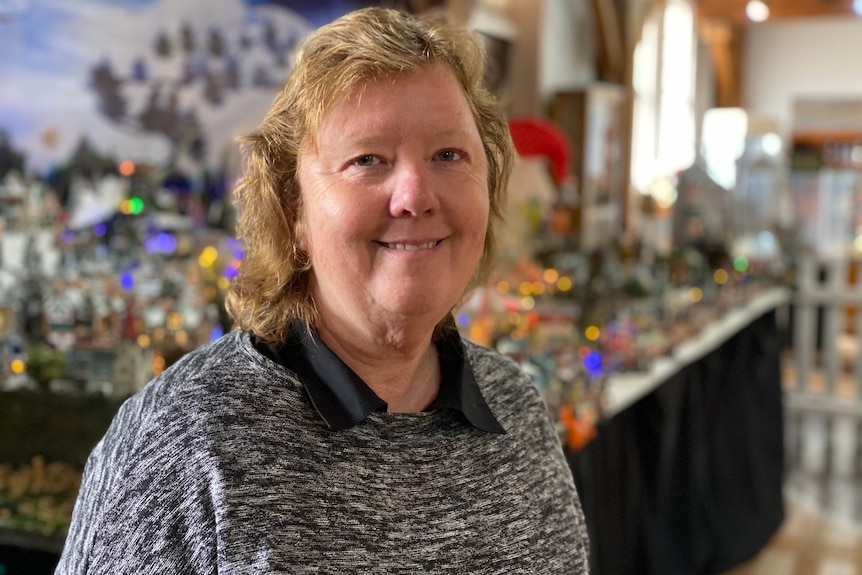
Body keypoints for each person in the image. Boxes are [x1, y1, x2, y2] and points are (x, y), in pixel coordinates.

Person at [55, 7, 591, 574]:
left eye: (448, 155)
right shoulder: (180, 442)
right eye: (367, 160)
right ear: (294, 215)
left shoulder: (517, 411)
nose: (415, 194)